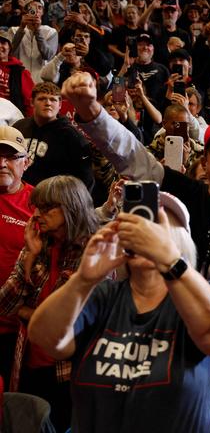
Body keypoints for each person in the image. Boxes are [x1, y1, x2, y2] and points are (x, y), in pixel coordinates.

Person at [63, 71, 210, 431]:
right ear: (205, 162)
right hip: (181, 373)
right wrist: (92, 112)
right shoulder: (186, 200)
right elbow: (133, 158)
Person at [28, 192, 210, 432]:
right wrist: (83, 279)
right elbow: (44, 337)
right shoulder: (103, 296)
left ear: (179, 240)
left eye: (156, 225)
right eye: (138, 222)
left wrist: (169, 260)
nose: (145, 233)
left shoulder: (203, 294)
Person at [0, 175, 99, 432]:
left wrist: (27, 312)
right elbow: (5, 304)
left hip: (70, 371)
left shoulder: (93, 252)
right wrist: (30, 256)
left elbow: (65, 323)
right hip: (28, 363)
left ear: (70, 207)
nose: (37, 215)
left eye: (46, 209)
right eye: (37, 208)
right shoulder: (39, 245)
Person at [12, 81, 94, 191]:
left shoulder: (71, 136)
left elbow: (86, 179)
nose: (48, 103)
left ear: (60, 105)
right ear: (32, 102)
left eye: (53, 99)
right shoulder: (19, 127)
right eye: (42, 99)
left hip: (52, 199)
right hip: (19, 193)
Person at [0, 126, 33, 386]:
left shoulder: (39, 205)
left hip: (14, 330)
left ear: (26, 162)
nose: (2, 163)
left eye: (11, 157)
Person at [7, 0, 58, 84]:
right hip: (19, 81)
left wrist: (37, 31)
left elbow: (48, 56)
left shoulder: (51, 32)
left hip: (41, 82)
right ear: (26, 11)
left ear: (42, 12)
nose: (37, 10)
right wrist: (22, 27)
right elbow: (8, 53)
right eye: (33, 7)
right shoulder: (13, 30)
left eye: (40, 7)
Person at [0, 30, 34, 116]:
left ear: (10, 47)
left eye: (3, 43)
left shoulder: (21, 72)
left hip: (12, 117)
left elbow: (30, 100)